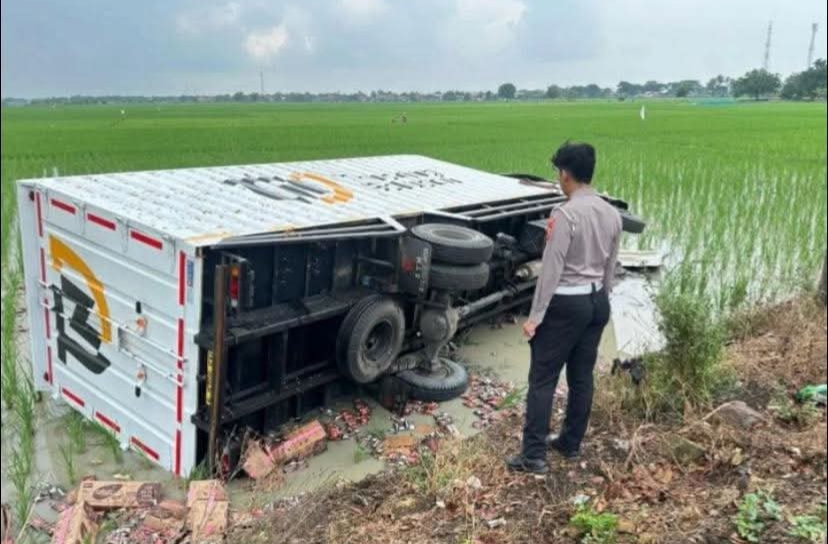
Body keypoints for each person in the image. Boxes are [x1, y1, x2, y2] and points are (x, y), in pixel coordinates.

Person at [506, 142, 622, 475]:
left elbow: (551, 271)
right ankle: (570, 443)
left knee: (542, 379)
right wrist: (602, 301)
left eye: (559, 173)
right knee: (581, 376)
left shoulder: (565, 214)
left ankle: (533, 456)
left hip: (565, 304)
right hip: (596, 301)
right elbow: (610, 267)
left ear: (565, 175)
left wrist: (535, 317)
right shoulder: (612, 213)